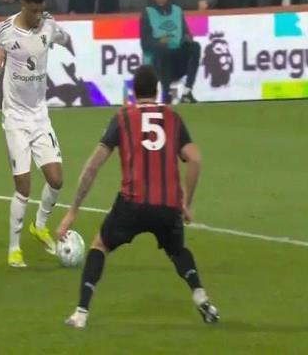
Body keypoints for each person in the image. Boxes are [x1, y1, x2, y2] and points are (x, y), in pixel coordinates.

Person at [57, 65, 219, 328]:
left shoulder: (123, 118)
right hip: (168, 205)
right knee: (177, 250)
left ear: (133, 91)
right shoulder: (173, 118)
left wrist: (73, 210)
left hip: (132, 203)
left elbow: (92, 167)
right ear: (157, 90)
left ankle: (81, 313)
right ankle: (201, 298)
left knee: (99, 246)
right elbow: (195, 159)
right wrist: (186, 203)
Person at [0, 0, 75, 268]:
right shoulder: (5, 32)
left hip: (40, 117)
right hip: (15, 119)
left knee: (56, 180)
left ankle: (39, 225)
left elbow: (64, 37)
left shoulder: (48, 24)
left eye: (40, 10)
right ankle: (14, 248)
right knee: (23, 186)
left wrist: (68, 42)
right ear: (23, 5)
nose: (37, 16)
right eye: (33, 10)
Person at [140, 0, 200, 104]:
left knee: (195, 47)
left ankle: (187, 92)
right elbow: (145, 44)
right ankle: (166, 93)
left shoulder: (177, 11)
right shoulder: (147, 13)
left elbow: (185, 33)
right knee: (164, 49)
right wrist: (158, 41)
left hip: (176, 59)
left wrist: (187, 38)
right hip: (157, 62)